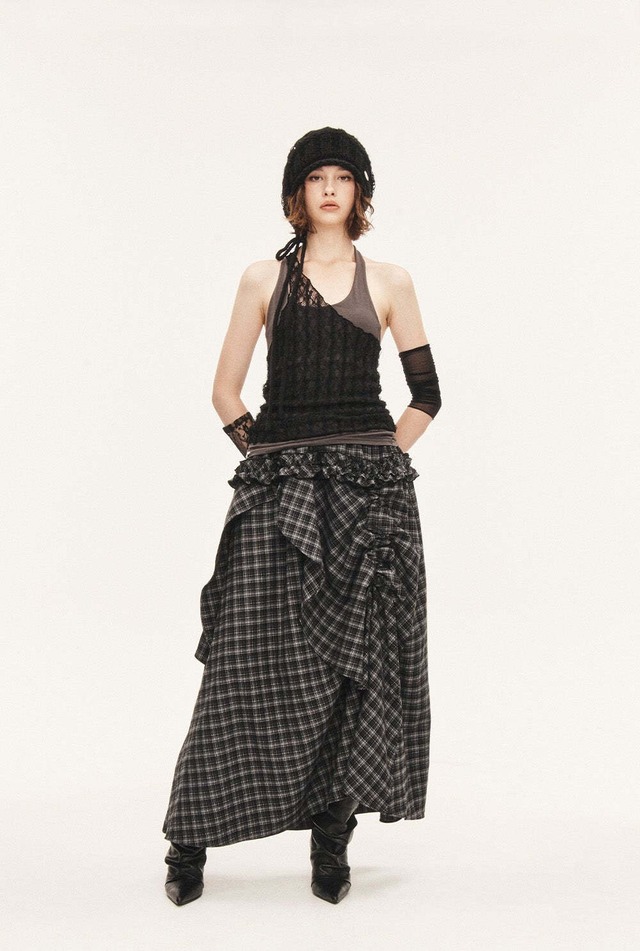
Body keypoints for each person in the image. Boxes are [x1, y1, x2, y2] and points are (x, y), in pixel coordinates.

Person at [161, 126, 442, 906]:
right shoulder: (263, 278)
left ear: (360, 193)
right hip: (279, 488)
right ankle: (188, 837)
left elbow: (426, 394)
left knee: (354, 671)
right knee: (240, 661)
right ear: (296, 193)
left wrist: (382, 462)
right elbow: (225, 392)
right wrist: (269, 458)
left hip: (367, 497)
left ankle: (331, 840)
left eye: (342, 177)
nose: (329, 189)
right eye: (316, 177)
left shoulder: (390, 280)